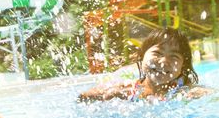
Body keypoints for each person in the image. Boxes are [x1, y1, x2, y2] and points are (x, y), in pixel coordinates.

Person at [79, 27, 208, 102]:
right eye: (157, 53)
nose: (163, 62)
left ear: (183, 66)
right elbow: (82, 98)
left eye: (174, 56)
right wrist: (112, 93)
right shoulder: (128, 88)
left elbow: (217, 95)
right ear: (142, 57)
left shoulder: (184, 91)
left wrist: (201, 94)